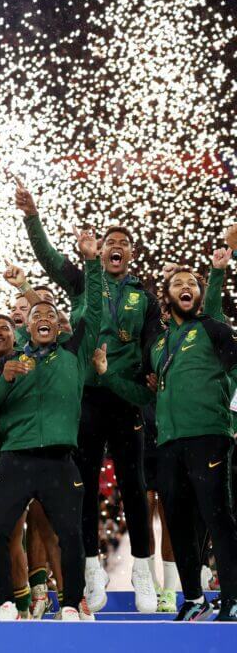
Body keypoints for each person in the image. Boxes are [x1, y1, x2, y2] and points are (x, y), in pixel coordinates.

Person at [16, 179, 159, 613]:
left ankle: (143, 571)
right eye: (108, 241)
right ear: (99, 250)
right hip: (83, 399)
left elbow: (152, 342)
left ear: (130, 255)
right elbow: (49, 258)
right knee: (85, 485)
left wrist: (153, 374)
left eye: (123, 243)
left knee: (134, 486)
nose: (115, 246)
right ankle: (91, 568)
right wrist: (32, 217)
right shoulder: (82, 284)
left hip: (124, 398)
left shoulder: (143, 297)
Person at [97, 254, 237, 621]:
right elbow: (144, 395)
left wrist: (232, 415)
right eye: (179, 284)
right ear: (167, 297)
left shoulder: (213, 329)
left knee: (216, 517)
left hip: (209, 436)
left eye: (192, 284)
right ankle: (192, 599)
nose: (186, 288)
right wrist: (108, 375)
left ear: (201, 296)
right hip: (169, 444)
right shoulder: (158, 346)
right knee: (177, 521)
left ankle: (234, 597)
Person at [0, 226, 102, 621]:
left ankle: (70, 602)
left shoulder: (73, 354)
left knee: (70, 536)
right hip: (13, 460)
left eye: (51, 314)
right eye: (36, 316)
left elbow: (94, 308)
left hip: (59, 461)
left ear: (60, 326)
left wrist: (92, 263)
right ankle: (8, 603)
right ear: (25, 328)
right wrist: (6, 381)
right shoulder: (11, 363)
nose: (43, 318)